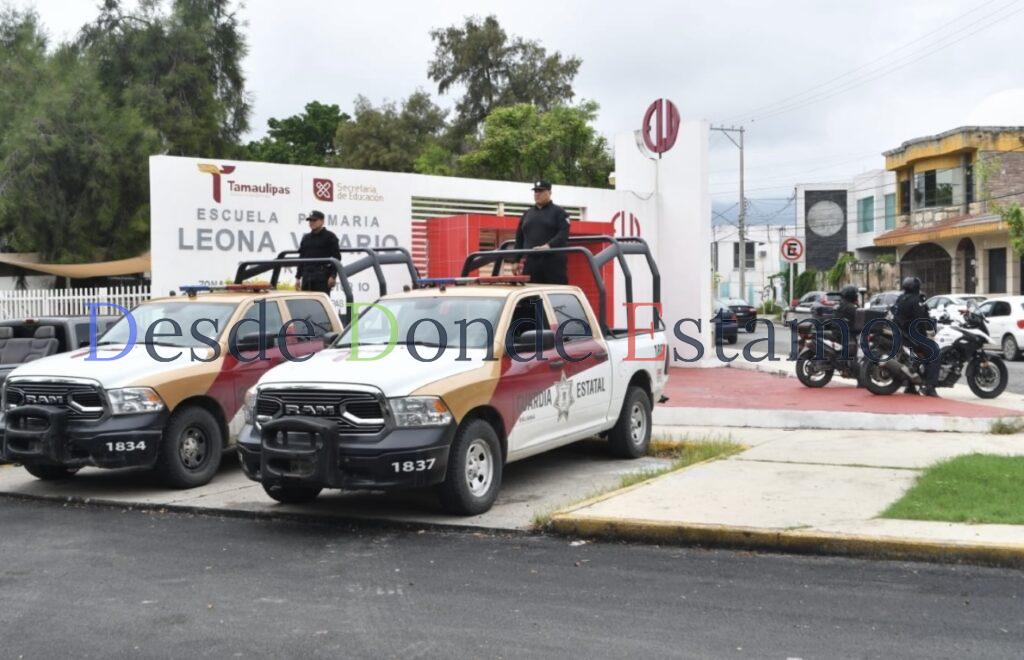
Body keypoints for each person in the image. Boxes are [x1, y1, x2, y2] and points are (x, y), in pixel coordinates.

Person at [514, 180, 570, 284]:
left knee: (555, 296)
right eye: (535, 191)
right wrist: (516, 260)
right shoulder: (527, 214)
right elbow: (519, 238)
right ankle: (536, 302)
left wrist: (548, 246)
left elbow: (563, 234)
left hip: (553, 262)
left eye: (540, 191)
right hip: (531, 262)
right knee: (533, 297)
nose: (537, 194)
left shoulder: (559, 212)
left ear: (549, 192)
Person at [894, 276, 939, 397]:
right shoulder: (916, 300)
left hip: (901, 333)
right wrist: (929, 331)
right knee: (934, 353)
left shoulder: (900, 298)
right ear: (917, 287)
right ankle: (930, 387)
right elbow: (921, 320)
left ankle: (910, 385)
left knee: (916, 357)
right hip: (912, 335)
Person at [295, 210, 341, 295]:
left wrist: (333, 276)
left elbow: (336, 258)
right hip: (307, 276)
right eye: (310, 220)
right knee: (305, 303)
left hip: (322, 277)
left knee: (321, 304)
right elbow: (301, 258)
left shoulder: (330, 236)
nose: (311, 223)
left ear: (322, 221)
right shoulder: (306, 238)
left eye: (314, 220)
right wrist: (298, 277)